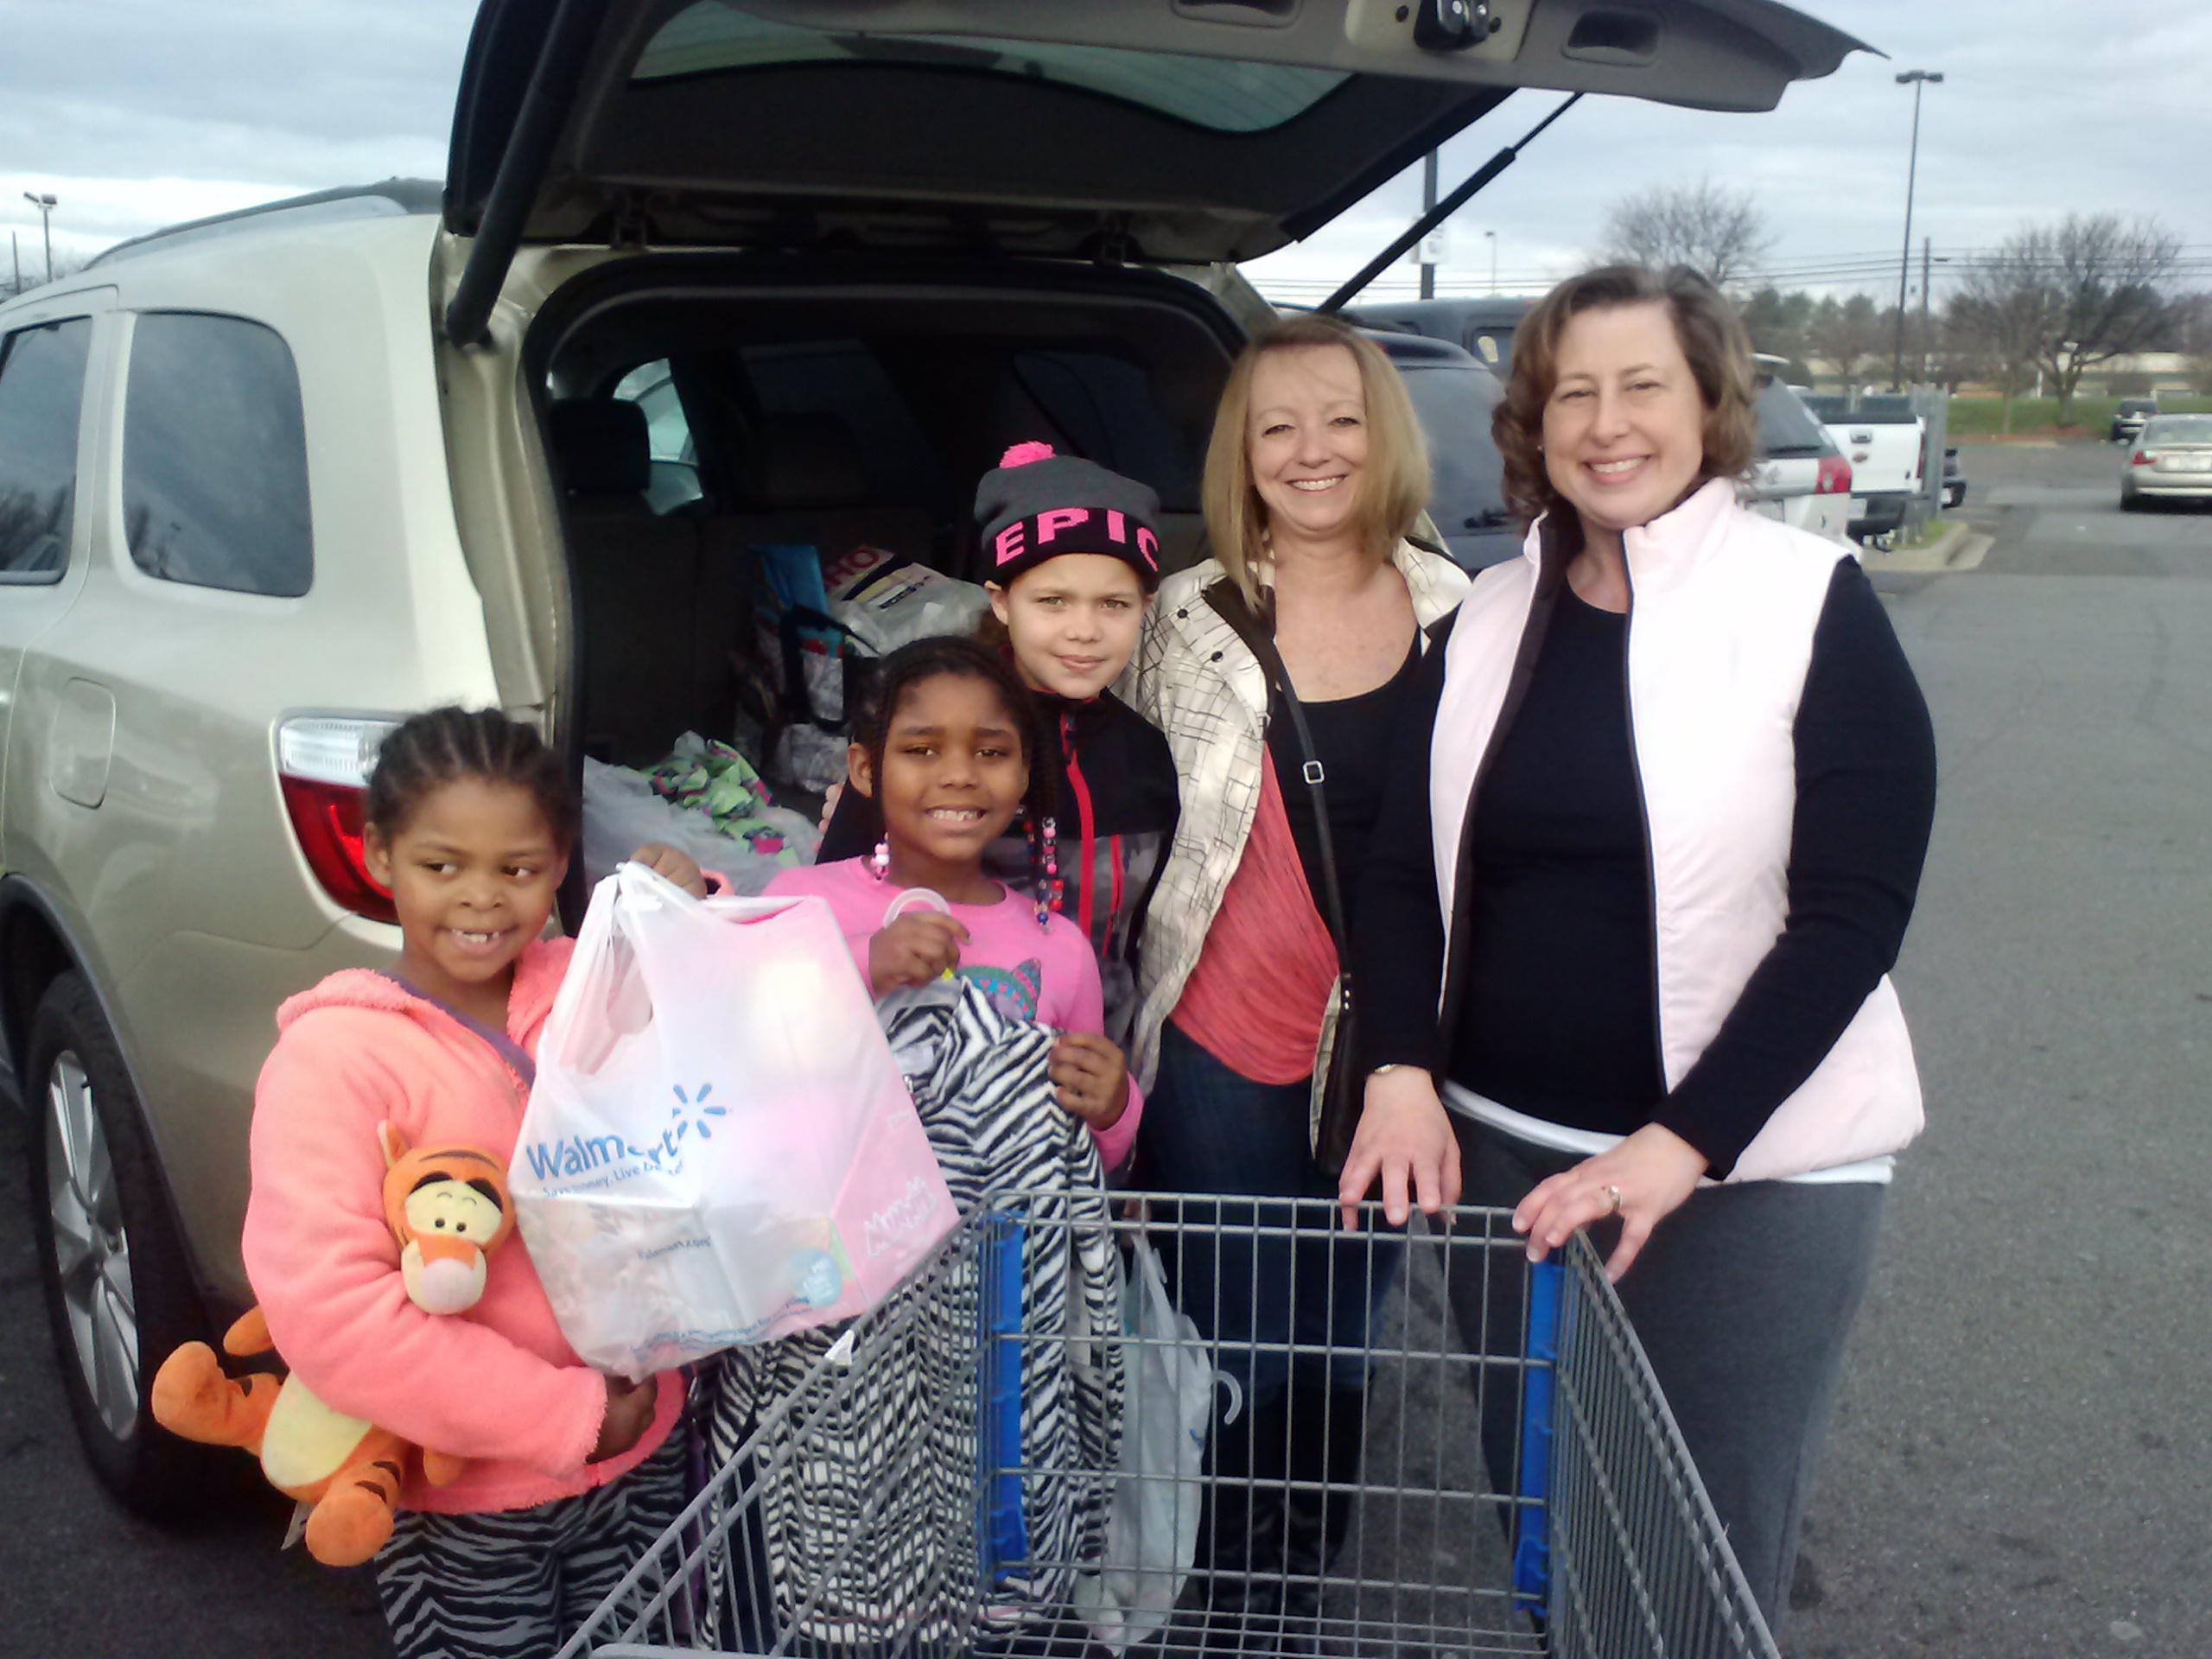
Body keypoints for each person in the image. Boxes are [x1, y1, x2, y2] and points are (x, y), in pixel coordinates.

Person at [1342, 264, 1939, 1633]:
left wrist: (1683, 1144)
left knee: (1696, 1560)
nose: (1608, 424)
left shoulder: (1812, 601)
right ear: (1534, 424)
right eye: (1574, 394)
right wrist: (1400, 1070)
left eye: (1643, 386)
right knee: (1550, 1528)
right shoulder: (1484, 619)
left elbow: (1852, 914)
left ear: (1710, 404)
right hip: (1503, 1155)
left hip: (1748, 1178)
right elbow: (1401, 875)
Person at [239, 706, 713, 1658]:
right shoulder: (334, 1061)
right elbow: (336, 1319)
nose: (482, 899)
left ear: (561, 863)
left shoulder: (593, 984)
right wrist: (568, 1417)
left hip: (647, 1456)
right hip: (468, 1500)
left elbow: (723, 1025)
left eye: (520, 869)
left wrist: (684, 911)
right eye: (442, 865)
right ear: (380, 855)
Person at [1127, 312, 1471, 1621]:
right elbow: (1077, 773)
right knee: (1236, 1334)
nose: (1311, 450)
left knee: (1344, 1332)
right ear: (1242, 452)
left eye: (1341, 419)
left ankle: (1295, 1590)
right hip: (1222, 1040)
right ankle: (1216, 1596)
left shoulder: (1464, 613)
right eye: (1277, 427)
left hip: (1392, 1053)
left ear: (1387, 436)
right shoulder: (1185, 619)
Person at [818, 442, 1181, 1087]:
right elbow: (827, 907)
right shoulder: (927, 736)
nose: (1084, 630)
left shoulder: (1148, 753)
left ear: (1144, 607)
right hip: (928, 1068)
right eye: (1053, 601)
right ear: (1002, 600)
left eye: (1114, 604)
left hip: (1090, 1071)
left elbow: (1141, 935)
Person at [772, 633, 1140, 1167]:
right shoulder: (799, 903)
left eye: (991, 753)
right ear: (866, 770)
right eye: (921, 750)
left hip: (994, 1221)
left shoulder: (1061, 950)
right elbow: (737, 1048)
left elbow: (1076, 1159)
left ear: (1024, 773)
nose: (960, 776)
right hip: (825, 1217)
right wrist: (862, 965)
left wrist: (1115, 1109)